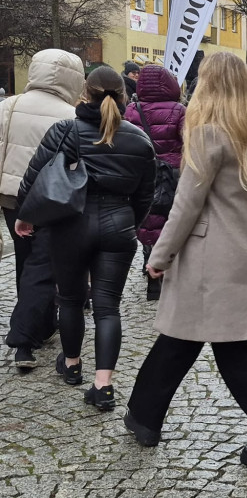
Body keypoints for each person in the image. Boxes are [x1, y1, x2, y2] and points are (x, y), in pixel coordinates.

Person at [124, 52, 247, 468]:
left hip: (209, 260)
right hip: (240, 253)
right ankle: (144, 415)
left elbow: (187, 203)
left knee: (225, 351)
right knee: (181, 340)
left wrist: (160, 254)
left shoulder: (208, 133)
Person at [16, 66, 155, 409]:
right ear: (124, 98)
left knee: (71, 299)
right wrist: (129, 224)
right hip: (119, 224)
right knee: (108, 308)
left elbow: (35, 179)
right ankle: (103, 385)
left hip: (70, 226)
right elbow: (146, 195)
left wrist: (26, 215)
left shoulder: (65, 130)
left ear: (85, 94)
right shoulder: (138, 138)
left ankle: (73, 365)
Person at [0, 49, 84, 369]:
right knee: (48, 262)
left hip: (11, 199)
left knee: (26, 260)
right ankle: (41, 324)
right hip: (52, 200)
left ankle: (32, 326)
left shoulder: (9, 105)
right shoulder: (72, 115)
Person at [124, 65, 186, 301]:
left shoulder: (132, 109)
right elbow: (187, 141)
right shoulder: (180, 110)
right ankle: (165, 268)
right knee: (168, 219)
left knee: (146, 219)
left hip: (141, 173)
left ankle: (150, 267)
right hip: (171, 174)